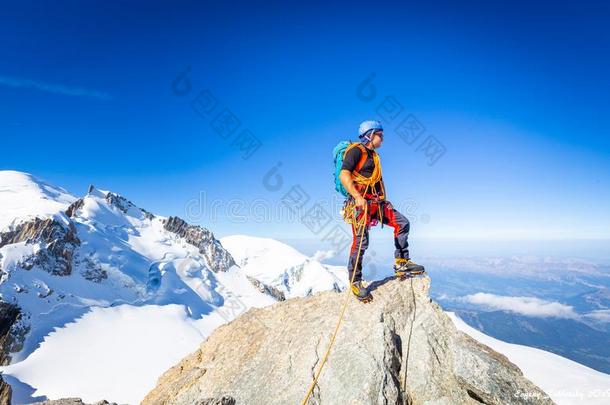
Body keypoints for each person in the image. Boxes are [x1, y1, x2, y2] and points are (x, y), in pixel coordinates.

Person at [339, 120, 424, 301]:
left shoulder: (374, 156)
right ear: (370, 135)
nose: (383, 139)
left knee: (402, 223)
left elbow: (374, 181)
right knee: (361, 242)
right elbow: (344, 174)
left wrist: (382, 200)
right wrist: (357, 196)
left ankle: (402, 262)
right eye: (380, 135)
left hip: (376, 203)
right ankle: (355, 281)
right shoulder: (356, 151)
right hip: (360, 204)